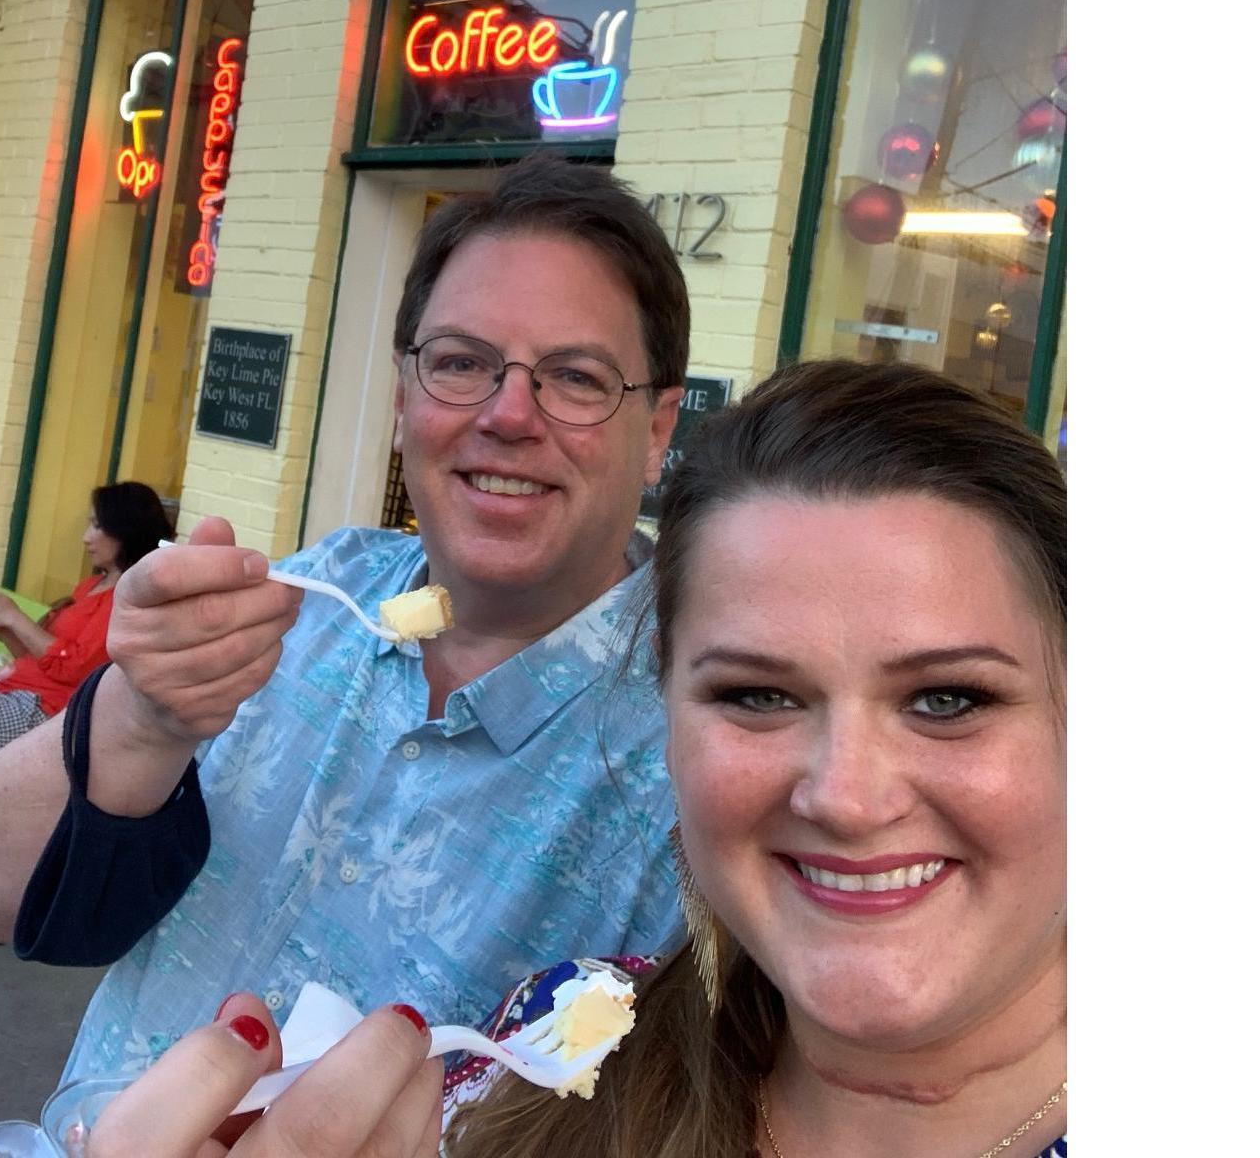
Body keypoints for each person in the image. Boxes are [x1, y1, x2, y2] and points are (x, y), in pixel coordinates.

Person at [74, 359, 1067, 1158]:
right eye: (755, 694)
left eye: (949, 698)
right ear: (663, 721)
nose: (846, 795)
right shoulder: (542, 1054)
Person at [0, 154, 692, 1085]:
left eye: (575, 377)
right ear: (401, 397)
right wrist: (146, 715)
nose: (508, 415)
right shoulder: (303, 600)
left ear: (658, 429)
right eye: (460, 363)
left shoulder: (701, 750)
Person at [0, 482, 174, 768]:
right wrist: (2, 624)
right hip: (6, 694)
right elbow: (37, 659)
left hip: (37, 716)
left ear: (125, 530)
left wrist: (13, 615)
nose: (86, 538)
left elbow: (74, 670)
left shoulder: (124, 600)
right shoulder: (91, 586)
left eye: (96, 526)